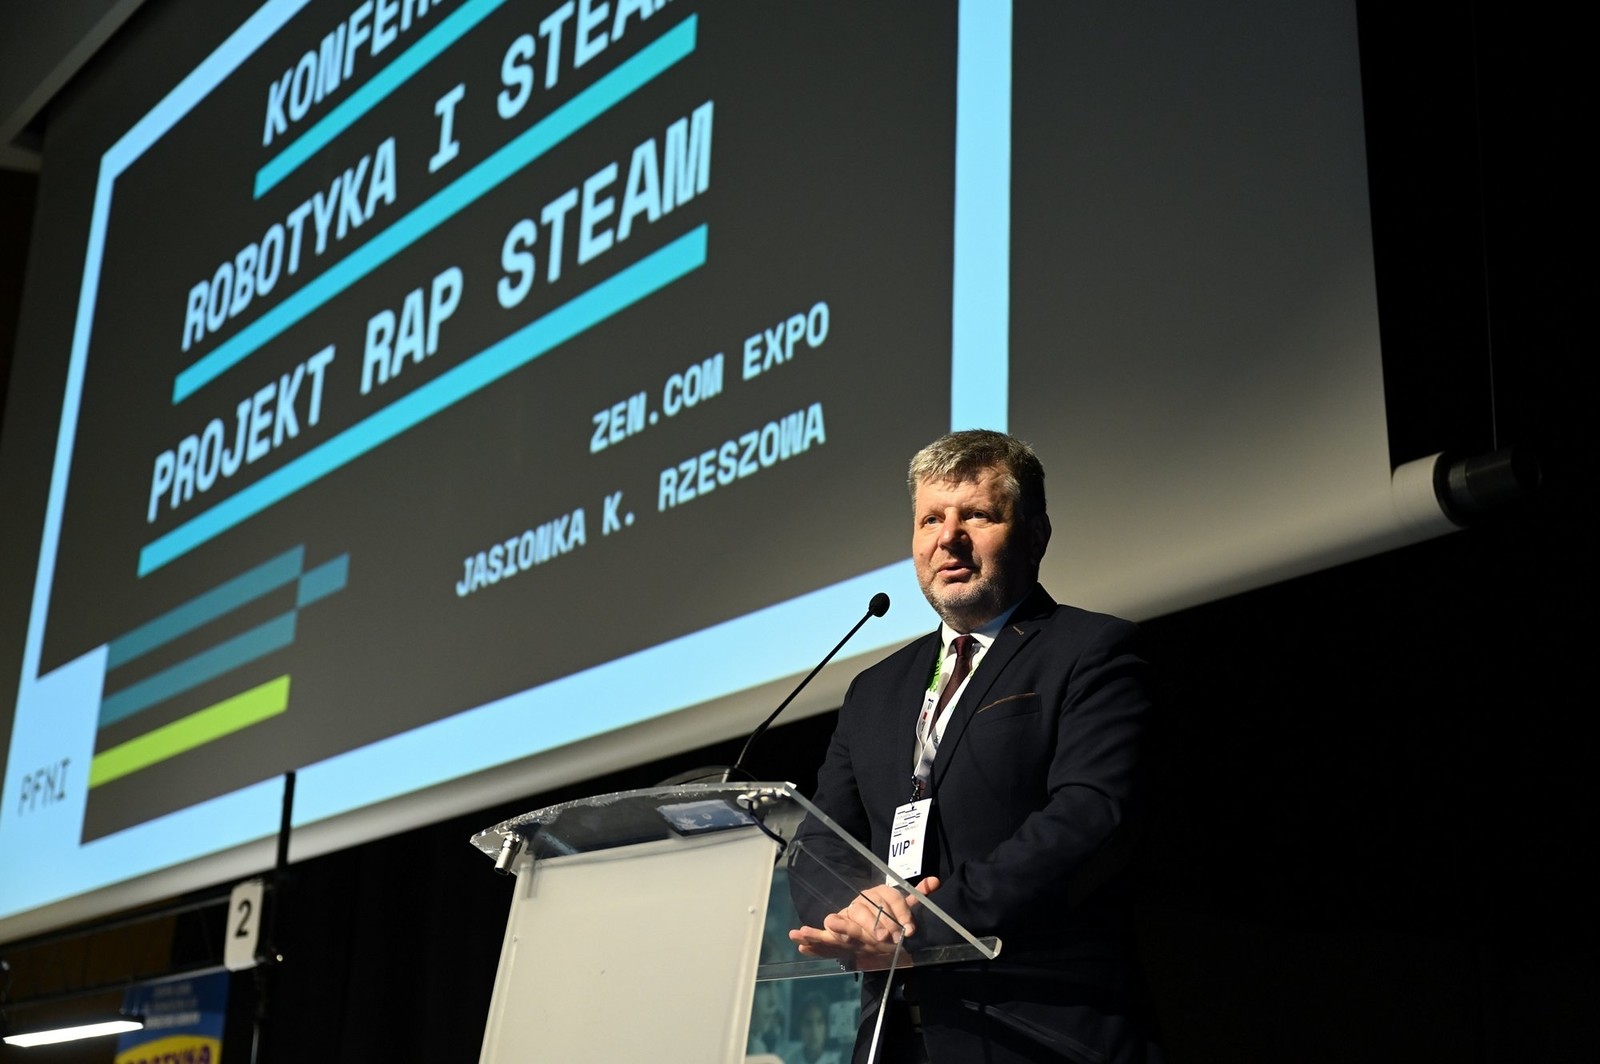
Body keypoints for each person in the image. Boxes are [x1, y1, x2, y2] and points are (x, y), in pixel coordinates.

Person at [788, 429, 1164, 1063]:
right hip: (895, 1037)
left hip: (1039, 1030)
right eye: (930, 519)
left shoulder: (1089, 651)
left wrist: (925, 918)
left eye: (978, 515)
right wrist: (855, 916)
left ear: (1037, 536)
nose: (949, 537)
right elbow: (820, 840)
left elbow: (1090, 817)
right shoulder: (874, 690)